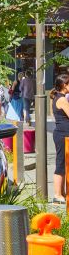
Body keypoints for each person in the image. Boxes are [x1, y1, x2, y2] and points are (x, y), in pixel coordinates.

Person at [50, 73, 69, 203]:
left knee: (62, 162)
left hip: (61, 133)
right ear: (64, 85)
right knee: (61, 163)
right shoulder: (61, 99)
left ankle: (61, 192)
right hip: (63, 134)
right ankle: (57, 194)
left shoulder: (56, 97)